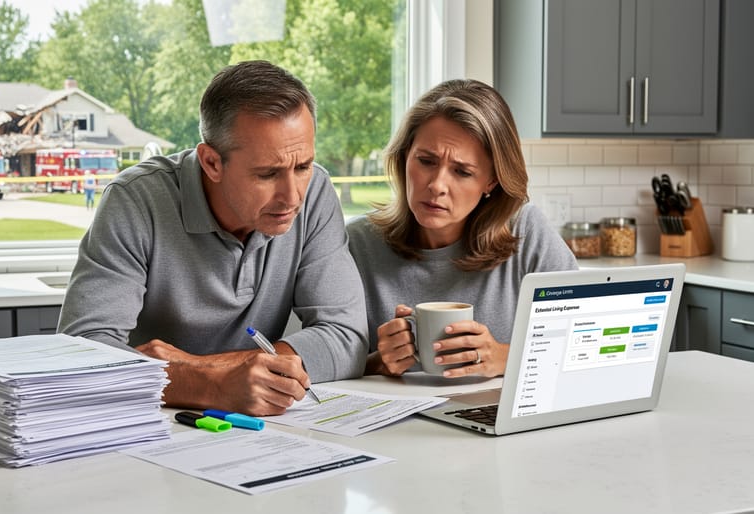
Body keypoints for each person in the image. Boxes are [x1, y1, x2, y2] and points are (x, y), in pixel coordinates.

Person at [59, 60, 368, 416]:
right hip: (147, 425)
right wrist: (209, 384)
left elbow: (347, 337)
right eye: (267, 174)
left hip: (260, 429)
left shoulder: (315, 193)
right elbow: (81, 351)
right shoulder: (135, 199)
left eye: (302, 167)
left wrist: (200, 369)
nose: (293, 196)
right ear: (211, 163)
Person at [346, 78, 577, 379]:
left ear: (491, 181)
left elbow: (586, 339)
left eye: (462, 171)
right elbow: (319, 365)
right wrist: (378, 362)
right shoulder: (357, 244)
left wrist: (504, 357)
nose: (437, 185)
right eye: (426, 161)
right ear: (404, 158)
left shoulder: (526, 232)